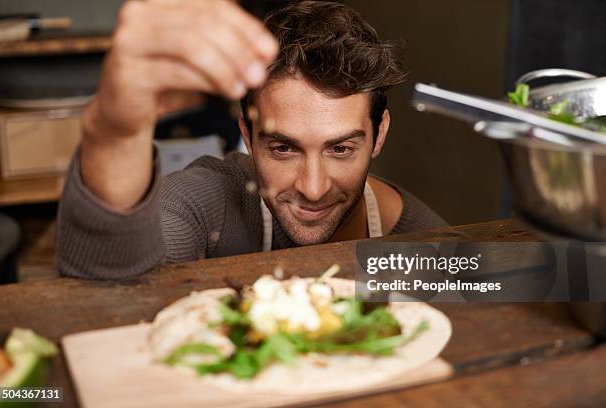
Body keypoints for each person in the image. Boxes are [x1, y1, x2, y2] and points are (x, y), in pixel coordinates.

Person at [57, 0, 447, 279]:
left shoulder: (417, 236)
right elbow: (112, 277)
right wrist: (112, 132)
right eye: (283, 148)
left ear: (379, 135)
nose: (312, 188)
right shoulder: (208, 203)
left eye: (341, 149)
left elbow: (491, 290)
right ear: (247, 133)